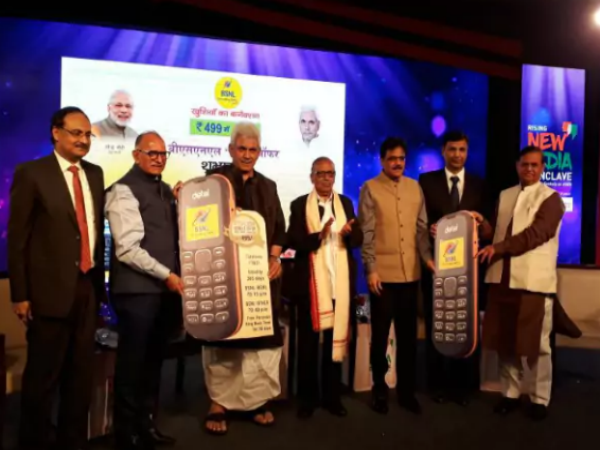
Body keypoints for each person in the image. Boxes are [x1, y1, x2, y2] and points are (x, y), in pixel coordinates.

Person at [7, 106, 107, 450]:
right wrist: (20, 294)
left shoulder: (95, 174)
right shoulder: (32, 173)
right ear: (56, 132)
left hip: (87, 289)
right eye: (76, 133)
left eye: (87, 135)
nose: (83, 140)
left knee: (80, 380)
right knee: (42, 381)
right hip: (47, 294)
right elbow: (17, 238)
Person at [188, 122, 286, 435]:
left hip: (259, 280)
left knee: (259, 343)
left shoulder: (268, 186)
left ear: (259, 152)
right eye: (241, 148)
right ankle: (219, 402)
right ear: (231, 150)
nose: (247, 154)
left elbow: (279, 229)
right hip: (224, 276)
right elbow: (195, 219)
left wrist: (274, 259)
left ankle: (257, 401)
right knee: (223, 340)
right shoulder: (213, 181)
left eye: (252, 149)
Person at [105, 131, 182, 449]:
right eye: (152, 153)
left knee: (153, 363)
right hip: (137, 293)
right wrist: (167, 275)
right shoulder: (122, 190)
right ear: (136, 155)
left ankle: (146, 425)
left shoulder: (165, 190)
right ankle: (125, 433)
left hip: (164, 293)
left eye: (163, 154)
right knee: (132, 365)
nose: (159, 159)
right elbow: (127, 250)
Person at [477, 145, 564, 421]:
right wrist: (481, 224)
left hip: (533, 282)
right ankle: (510, 393)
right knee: (505, 341)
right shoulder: (505, 195)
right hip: (501, 279)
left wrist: (498, 248)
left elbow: (536, 234)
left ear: (542, 168)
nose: (529, 169)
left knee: (538, 345)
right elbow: (495, 232)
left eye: (534, 165)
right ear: (517, 166)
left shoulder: (552, 198)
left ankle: (539, 398)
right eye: (524, 164)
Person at [358, 137, 435, 415]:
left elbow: (422, 230)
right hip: (382, 278)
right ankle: (379, 389)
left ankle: (406, 392)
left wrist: (428, 259)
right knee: (380, 338)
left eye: (401, 158)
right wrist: (371, 269)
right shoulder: (370, 188)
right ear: (382, 160)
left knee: (408, 339)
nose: (397, 163)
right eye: (392, 158)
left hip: (410, 275)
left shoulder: (415, 188)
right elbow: (367, 233)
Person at [286, 157, 363, 419]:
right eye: (321, 174)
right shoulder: (299, 205)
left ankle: (332, 397)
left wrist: (349, 234)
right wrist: (317, 237)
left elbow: (357, 239)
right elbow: (293, 240)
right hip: (311, 285)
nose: (326, 178)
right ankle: (307, 399)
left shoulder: (345, 204)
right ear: (312, 177)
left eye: (330, 174)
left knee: (333, 343)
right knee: (308, 344)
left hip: (338, 285)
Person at [419, 130, 491, 406]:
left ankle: (463, 386)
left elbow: (488, 229)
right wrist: (430, 228)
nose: (457, 155)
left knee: (465, 324)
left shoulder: (479, 184)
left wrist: (480, 221)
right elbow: (419, 222)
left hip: (469, 272)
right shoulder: (426, 182)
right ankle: (436, 384)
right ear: (443, 151)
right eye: (452, 149)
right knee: (438, 323)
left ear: (467, 152)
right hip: (437, 269)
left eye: (462, 150)